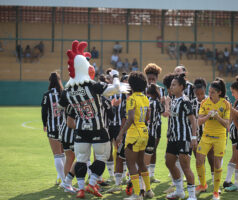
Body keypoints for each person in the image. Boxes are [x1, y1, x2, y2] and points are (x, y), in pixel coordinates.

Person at [58, 40, 129, 198]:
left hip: (81, 129)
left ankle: (81, 188)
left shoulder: (67, 91)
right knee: (102, 157)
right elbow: (116, 88)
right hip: (98, 129)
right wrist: (116, 76)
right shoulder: (93, 86)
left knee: (82, 160)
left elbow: (60, 106)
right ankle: (91, 184)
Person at [116, 71, 154, 200]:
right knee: (141, 162)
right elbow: (148, 116)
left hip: (134, 134)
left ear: (131, 85)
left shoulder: (131, 98)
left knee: (131, 163)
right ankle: (148, 190)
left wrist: (121, 133)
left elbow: (131, 118)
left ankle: (137, 194)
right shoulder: (145, 98)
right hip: (144, 132)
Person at [196, 78, 230, 200]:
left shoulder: (225, 104)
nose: (210, 94)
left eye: (212, 92)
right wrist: (208, 116)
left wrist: (217, 117)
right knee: (199, 160)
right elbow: (199, 121)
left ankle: (216, 192)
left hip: (220, 137)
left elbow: (226, 124)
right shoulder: (204, 102)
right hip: (206, 136)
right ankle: (203, 184)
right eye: (209, 91)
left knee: (217, 164)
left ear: (219, 93)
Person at [165, 74, 197, 200]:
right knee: (169, 162)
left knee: (185, 166)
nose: (171, 87)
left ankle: (192, 196)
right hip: (173, 138)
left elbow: (193, 120)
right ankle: (179, 191)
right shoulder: (173, 99)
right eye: (171, 85)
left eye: (174, 85)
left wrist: (194, 138)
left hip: (183, 138)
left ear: (181, 87)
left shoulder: (185, 101)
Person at [191, 78, 215, 193]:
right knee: (199, 161)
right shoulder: (191, 103)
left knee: (212, 159)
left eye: (201, 93)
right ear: (194, 92)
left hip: (209, 136)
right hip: (196, 137)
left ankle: (216, 184)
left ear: (205, 90)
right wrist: (192, 136)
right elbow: (190, 121)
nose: (200, 96)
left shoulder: (210, 102)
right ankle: (202, 184)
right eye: (197, 94)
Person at [41, 72, 65, 186]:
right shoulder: (64, 93)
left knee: (57, 155)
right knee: (64, 153)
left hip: (53, 127)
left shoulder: (47, 94)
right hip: (65, 127)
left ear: (50, 81)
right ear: (59, 80)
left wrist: (44, 124)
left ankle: (62, 179)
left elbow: (44, 111)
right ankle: (63, 178)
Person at [144, 63, 165, 183]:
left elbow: (162, 111)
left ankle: (151, 175)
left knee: (154, 149)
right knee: (144, 150)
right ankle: (143, 173)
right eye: (149, 79)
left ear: (157, 79)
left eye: (153, 79)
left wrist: (162, 102)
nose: (151, 81)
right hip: (144, 125)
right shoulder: (142, 89)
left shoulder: (161, 90)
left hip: (157, 125)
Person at [223, 75, 238, 188]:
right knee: (237, 156)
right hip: (236, 130)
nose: (232, 94)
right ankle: (228, 180)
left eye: (233, 91)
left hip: (234, 129)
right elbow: (234, 116)